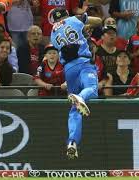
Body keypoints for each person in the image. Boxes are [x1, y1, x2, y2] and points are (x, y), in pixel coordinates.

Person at [50, 7, 102, 159]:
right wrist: (84, 23)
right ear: (66, 14)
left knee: (75, 108)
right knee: (91, 89)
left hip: (69, 69)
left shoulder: (53, 33)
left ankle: (72, 142)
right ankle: (81, 97)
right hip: (83, 62)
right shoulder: (75, 19)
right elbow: (98, 21)